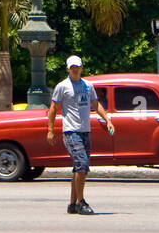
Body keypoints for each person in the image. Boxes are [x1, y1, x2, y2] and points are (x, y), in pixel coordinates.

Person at [47, 55, 113, 215]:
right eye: (72, 67)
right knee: (82, 165)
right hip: (71, 131)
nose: (75, 70)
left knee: (79, 167)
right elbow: (53, 108)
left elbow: (95, 104)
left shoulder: (88, 86)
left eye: (78, 67)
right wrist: (50, 130)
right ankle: (81, 202)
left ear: (82, 68)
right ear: (68, 69)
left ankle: (72, 204)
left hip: (85, 131)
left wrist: (107, 120)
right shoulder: (62, 86)